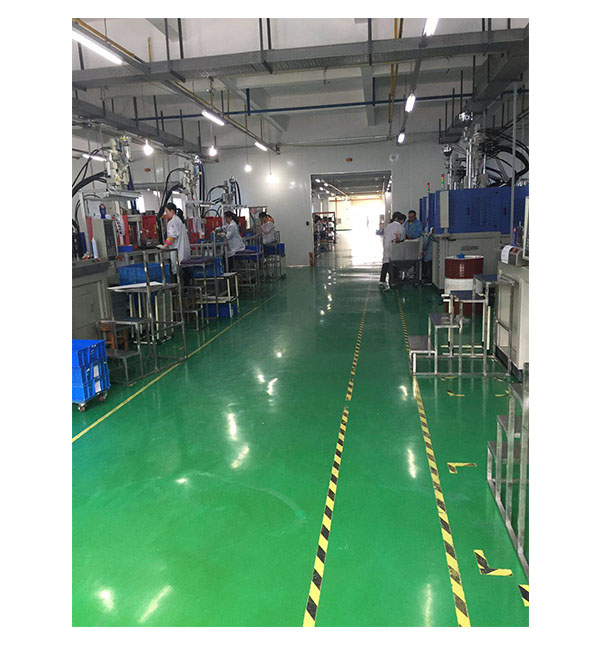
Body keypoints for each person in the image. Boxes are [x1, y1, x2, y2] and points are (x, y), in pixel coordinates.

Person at [158, 203, 191, 283]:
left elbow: (172, 236)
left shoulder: (173, 221)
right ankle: (187, 286)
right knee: (185, 270)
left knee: (176, 269)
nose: (166, 214)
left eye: (167, 211)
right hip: (182, 250)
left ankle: (178, 286)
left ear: (172, 211)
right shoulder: (178, 220)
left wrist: (165, 245)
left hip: (178, 251)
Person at [379, 211, 406, 288]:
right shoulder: (401, 228)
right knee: (394, 262)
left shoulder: (388, 226)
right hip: (395, 246)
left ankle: (382, 279)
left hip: (386, 245)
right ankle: (393, 279)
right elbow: (402, 239)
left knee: (386, 262)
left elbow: (384, 236)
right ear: (401, 220)